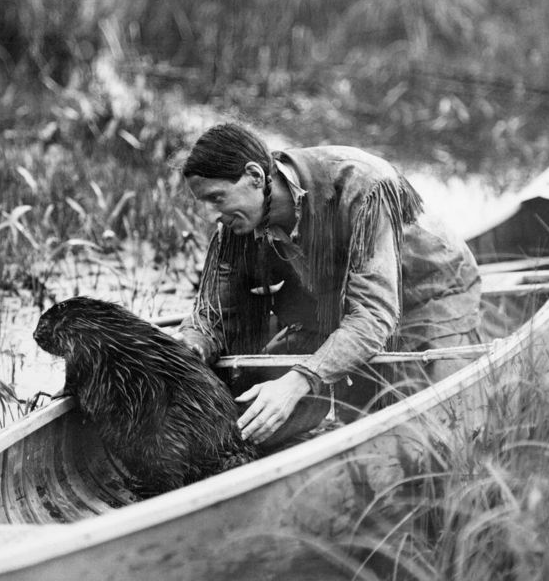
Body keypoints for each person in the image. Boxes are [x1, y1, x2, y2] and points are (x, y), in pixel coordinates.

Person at [175, 123, 481, 448]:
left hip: (429, 296)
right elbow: (214, 315)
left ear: (255, 176)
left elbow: (373, 316)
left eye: (216, 198)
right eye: (203, 203)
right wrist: (187, 348)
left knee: (431, 438)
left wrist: (300, 380)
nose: (210, 216)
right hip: (335, 304)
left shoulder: (363, 186)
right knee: (241, 422)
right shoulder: (239, 223)